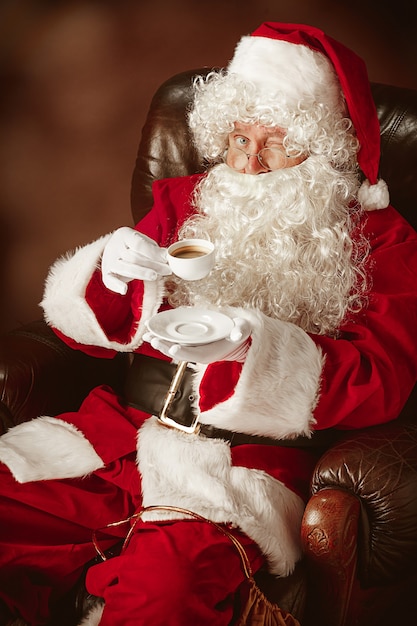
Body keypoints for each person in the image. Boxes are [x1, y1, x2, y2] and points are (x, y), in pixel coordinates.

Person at [1, 21, 417, 626]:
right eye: (237, 138)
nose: (248, 162)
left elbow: (384, 377)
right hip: (119, 439)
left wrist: (256, 349)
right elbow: (79, 330)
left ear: (323, 146)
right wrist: (112, 277)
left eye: (275, 142)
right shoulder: (188, 198)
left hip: (240, 471)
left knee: (162, 594)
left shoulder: (382, 241)